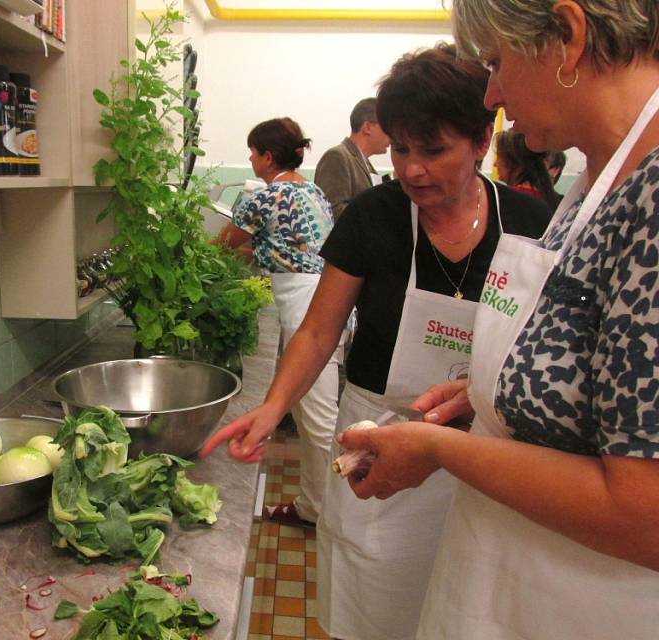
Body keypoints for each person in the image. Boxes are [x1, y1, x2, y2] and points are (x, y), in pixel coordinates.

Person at [203, 43, 551, 640]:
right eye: (400, 148)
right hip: (376, 442)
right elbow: (318, 330)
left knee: (470, 607)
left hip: (487, 452)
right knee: (371, 605)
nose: (412, 169)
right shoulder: (374, 215)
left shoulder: (531, 223)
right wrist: (273, 406)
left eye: (433, 149)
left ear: (480, 141)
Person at [337, 2, 659, 639]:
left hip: (585, 605)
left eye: (495, 62)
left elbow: (645, 514)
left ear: (565, 36)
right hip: (512, 581)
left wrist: (437, 447)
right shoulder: (595, 180)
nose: (493, 92)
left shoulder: (651, 200)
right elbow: (587, 382)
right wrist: (484, 393)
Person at [215, 117, 339, 527]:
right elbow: (288, 249)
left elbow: (223, 247)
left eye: (252, 152)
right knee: (308, 412)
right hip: (328, 297)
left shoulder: (265, 197)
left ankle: (326, 513)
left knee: (318, 417)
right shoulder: (311, 189)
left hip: (307, 304)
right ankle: (313, 505)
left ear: (268, 156)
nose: (250, 159)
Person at [314, 97, 390, 219]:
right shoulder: (337, 156)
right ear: (368, 127)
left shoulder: (365, 162)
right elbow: (333, 211)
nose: (392, 136)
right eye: (387, 128)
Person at [495, 128, 562, 211]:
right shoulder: (557, 200)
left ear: (514, 162)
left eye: (498, 157)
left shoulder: (507, 201)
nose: (495, 164)